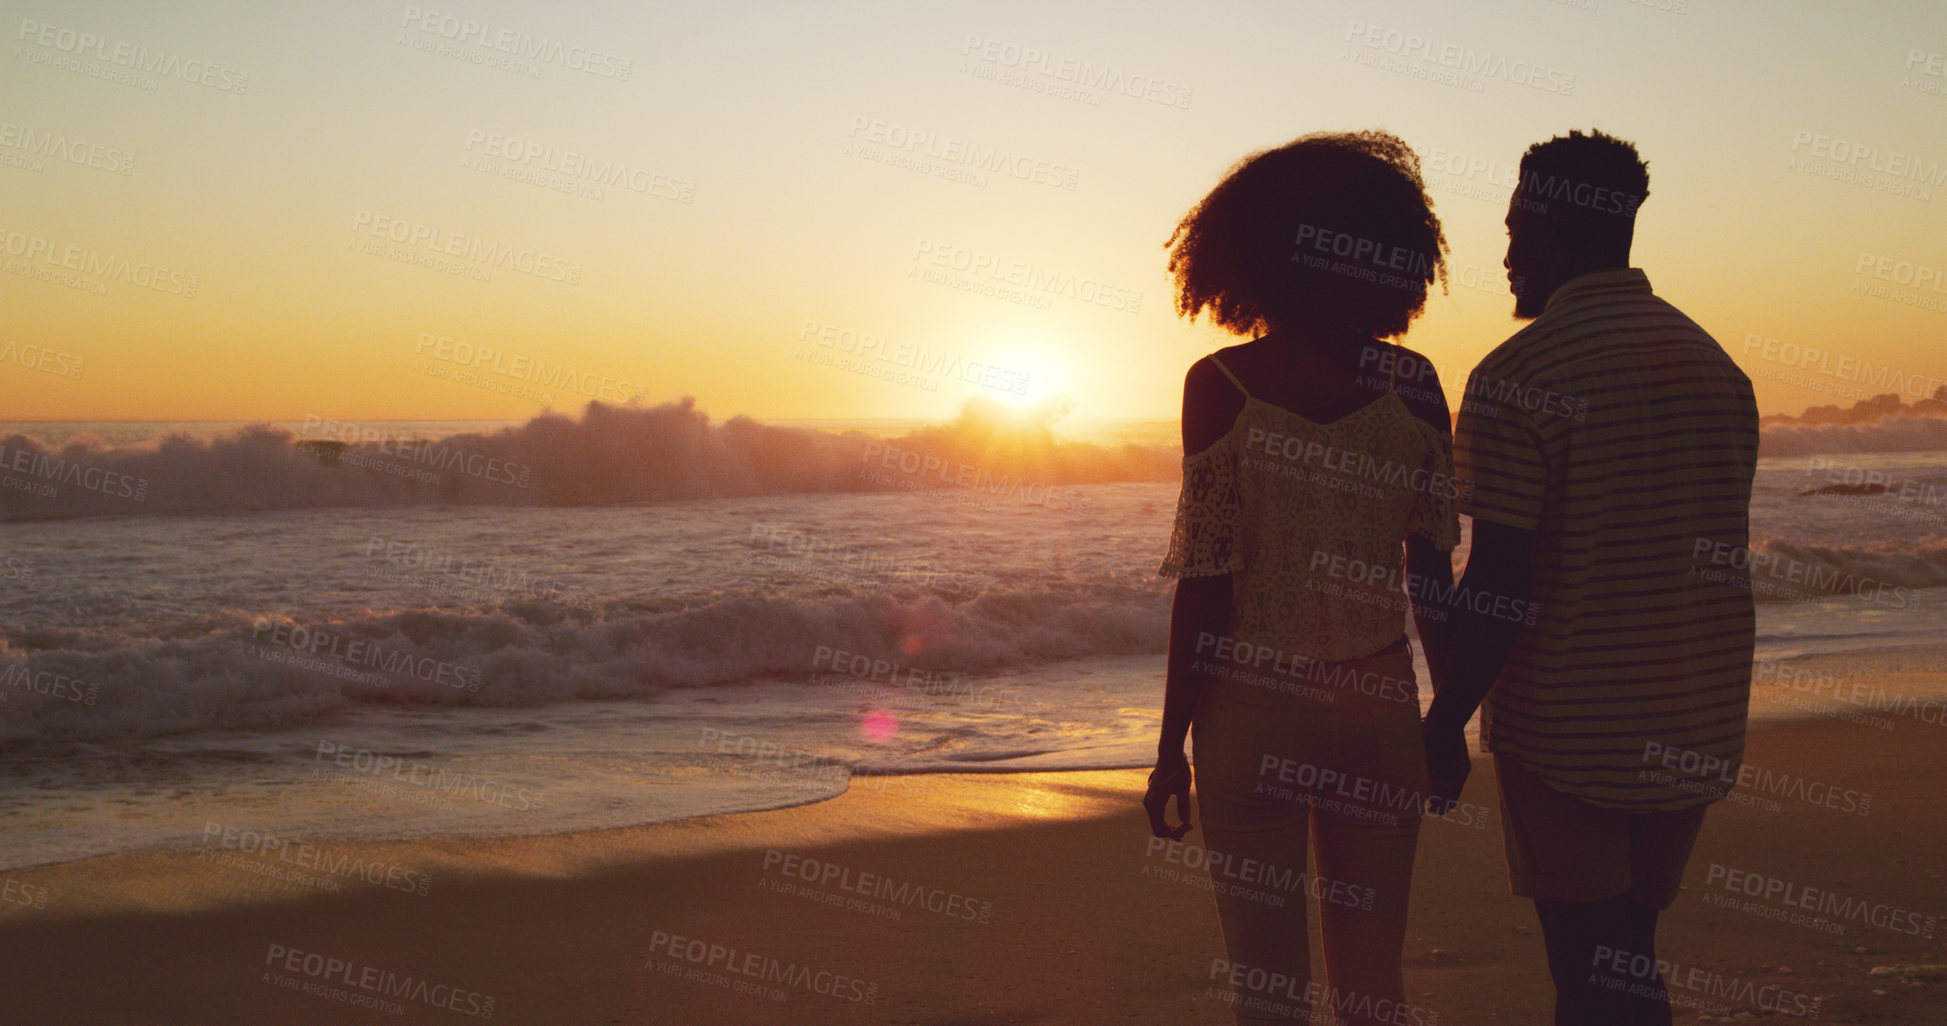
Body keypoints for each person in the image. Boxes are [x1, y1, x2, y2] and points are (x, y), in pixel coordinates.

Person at [1422, 129, 1760, 1026]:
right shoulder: (1714, 366)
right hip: (1694, 716)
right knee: (1628, 953)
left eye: (1512, 232)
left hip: (1570, 732)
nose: (1502, 259)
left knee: (1589, 974)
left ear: (1551, 230)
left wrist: (1442, 720)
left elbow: (1500, 581)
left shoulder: (1516, 377)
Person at [1144, 130, 1460, 1026]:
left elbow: (1206, 581)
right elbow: (1432, 572)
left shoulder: (1218, 384)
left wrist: (1171, 747)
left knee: (1267, 992)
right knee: (1373, 987)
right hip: (1380, 698)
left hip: (1249, 704)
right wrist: (1446, 716)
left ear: (1250, 254)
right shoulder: (1416, 384)